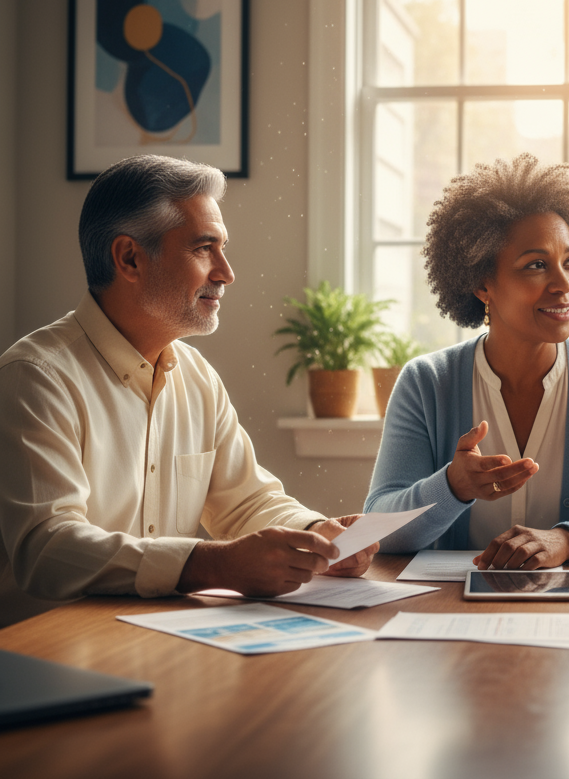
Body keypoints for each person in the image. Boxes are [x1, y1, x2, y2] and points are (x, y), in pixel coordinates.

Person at [0, 155, 377, 628]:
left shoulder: (196, 376)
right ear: (129, 258)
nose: (226, 272)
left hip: (157, 637)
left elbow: (245, 501)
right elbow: (49, 549)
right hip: (46, 654)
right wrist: (212, 564)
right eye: (205, 249)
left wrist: (315, 535)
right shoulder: (35, 377)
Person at [364, 154, 569, 568]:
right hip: (450, 616)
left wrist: (567, 540)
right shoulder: (426, 383)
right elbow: (377, 524)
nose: (565, 285)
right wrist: (452, 486)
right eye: (536, 266)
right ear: (481, 284)